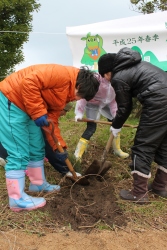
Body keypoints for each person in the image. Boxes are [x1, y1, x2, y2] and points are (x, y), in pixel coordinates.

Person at [0, 64, 100, 212]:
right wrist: (39, 112)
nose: (77, 99)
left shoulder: (68, 92)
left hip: (29, 107)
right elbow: (29, 82)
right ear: (78, 85)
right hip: (12, 100)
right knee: (19, 151)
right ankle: (16, 199)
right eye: (80, 96)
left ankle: (38, 183)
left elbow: (52, 122)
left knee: (37, 146)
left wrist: (59, 147)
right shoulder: (60, 74)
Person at [98, 47, 167, 203]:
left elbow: (124, 107)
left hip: (159, 103)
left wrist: (116, 125)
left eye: (105, 77)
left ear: (108, 72)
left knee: (143, 146)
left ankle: (139, 193)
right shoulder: (137, 66)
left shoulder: (119, 77)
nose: (107, 80)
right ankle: (160, 186)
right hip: (163, 99)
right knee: (164, 145)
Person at [0, 103, 73, 176]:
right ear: (60, 108)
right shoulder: (43, 113)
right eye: (66, 111)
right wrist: (64, 168)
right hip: (13, 109)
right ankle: (8, 160)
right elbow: (49, 142)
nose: (65, 114)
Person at [74, 73, 129, 161]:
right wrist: (79, 113)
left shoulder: (115, 82)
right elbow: (83, 96)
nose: (110, 75)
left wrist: (117, 117)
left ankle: (117, 150)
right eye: (108, 73)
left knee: (116, 124)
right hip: (92, 104)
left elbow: (113, 102)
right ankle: (77, 154)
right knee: (91, 128)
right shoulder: (94, 80)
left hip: (107, 104)